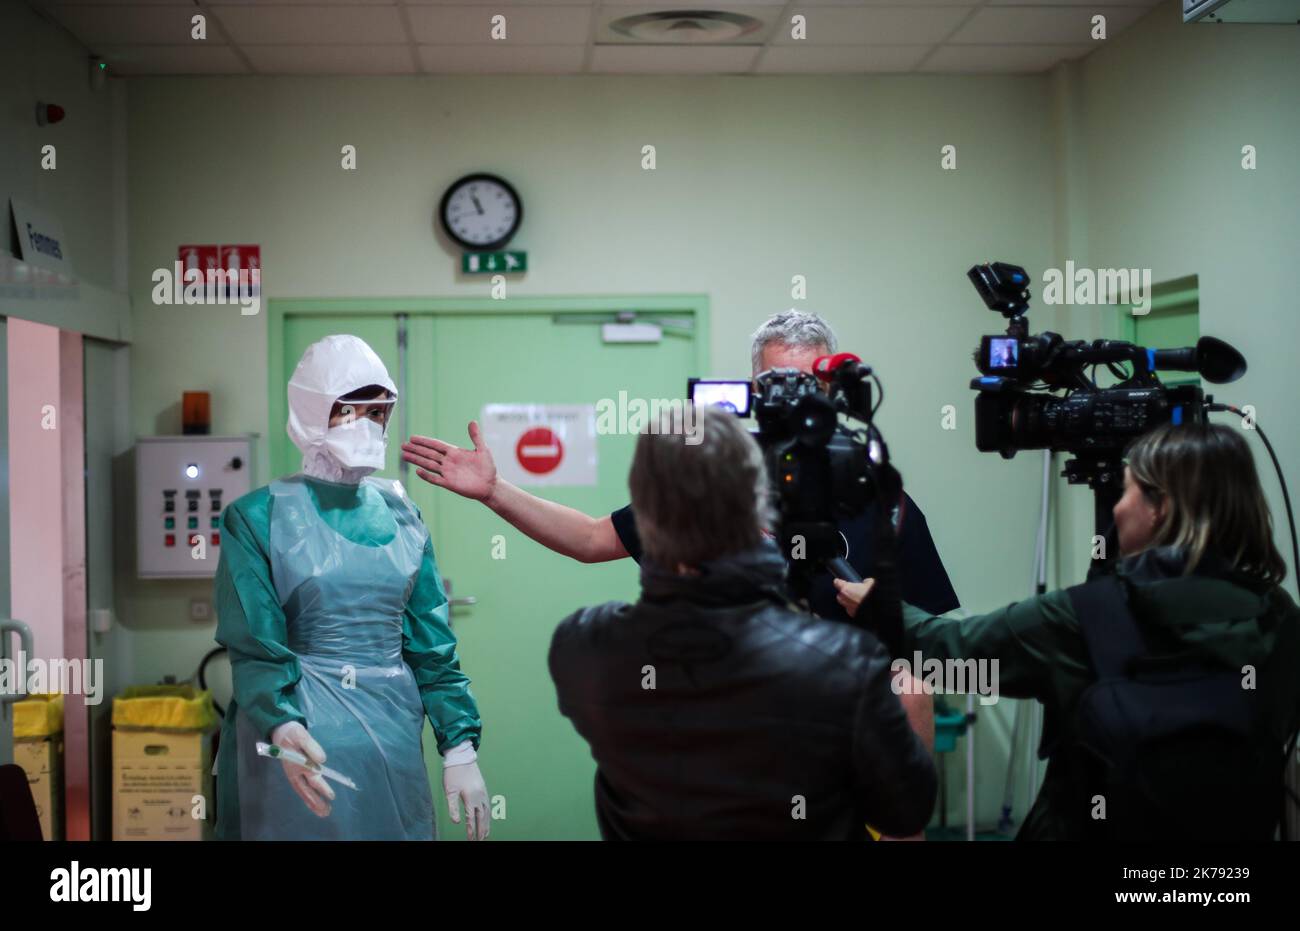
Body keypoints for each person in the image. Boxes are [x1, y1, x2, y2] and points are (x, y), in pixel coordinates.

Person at [836, 422, 1300, 840]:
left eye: (1128, 490)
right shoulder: (1278, 615)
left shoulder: (1092, 615)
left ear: (1159, 509)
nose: (1117, 509)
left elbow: (957, 657)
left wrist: (882, 610)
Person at [548, 405, 938, 840]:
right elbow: (906, 812)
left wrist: (493, 492)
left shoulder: (582, 648)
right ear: (758, 512)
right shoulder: (844, 665)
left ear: (643, 516)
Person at [213, 334, 489, 841]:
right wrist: (281, 726)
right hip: (296, 747)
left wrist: (460, 746)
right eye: (349, 410)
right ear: (313, 411)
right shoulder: (257, 517)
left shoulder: (404, 514)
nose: (367, 425)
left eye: (378, 412)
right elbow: (256, 646)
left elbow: (432, 646)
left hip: (390, 741)